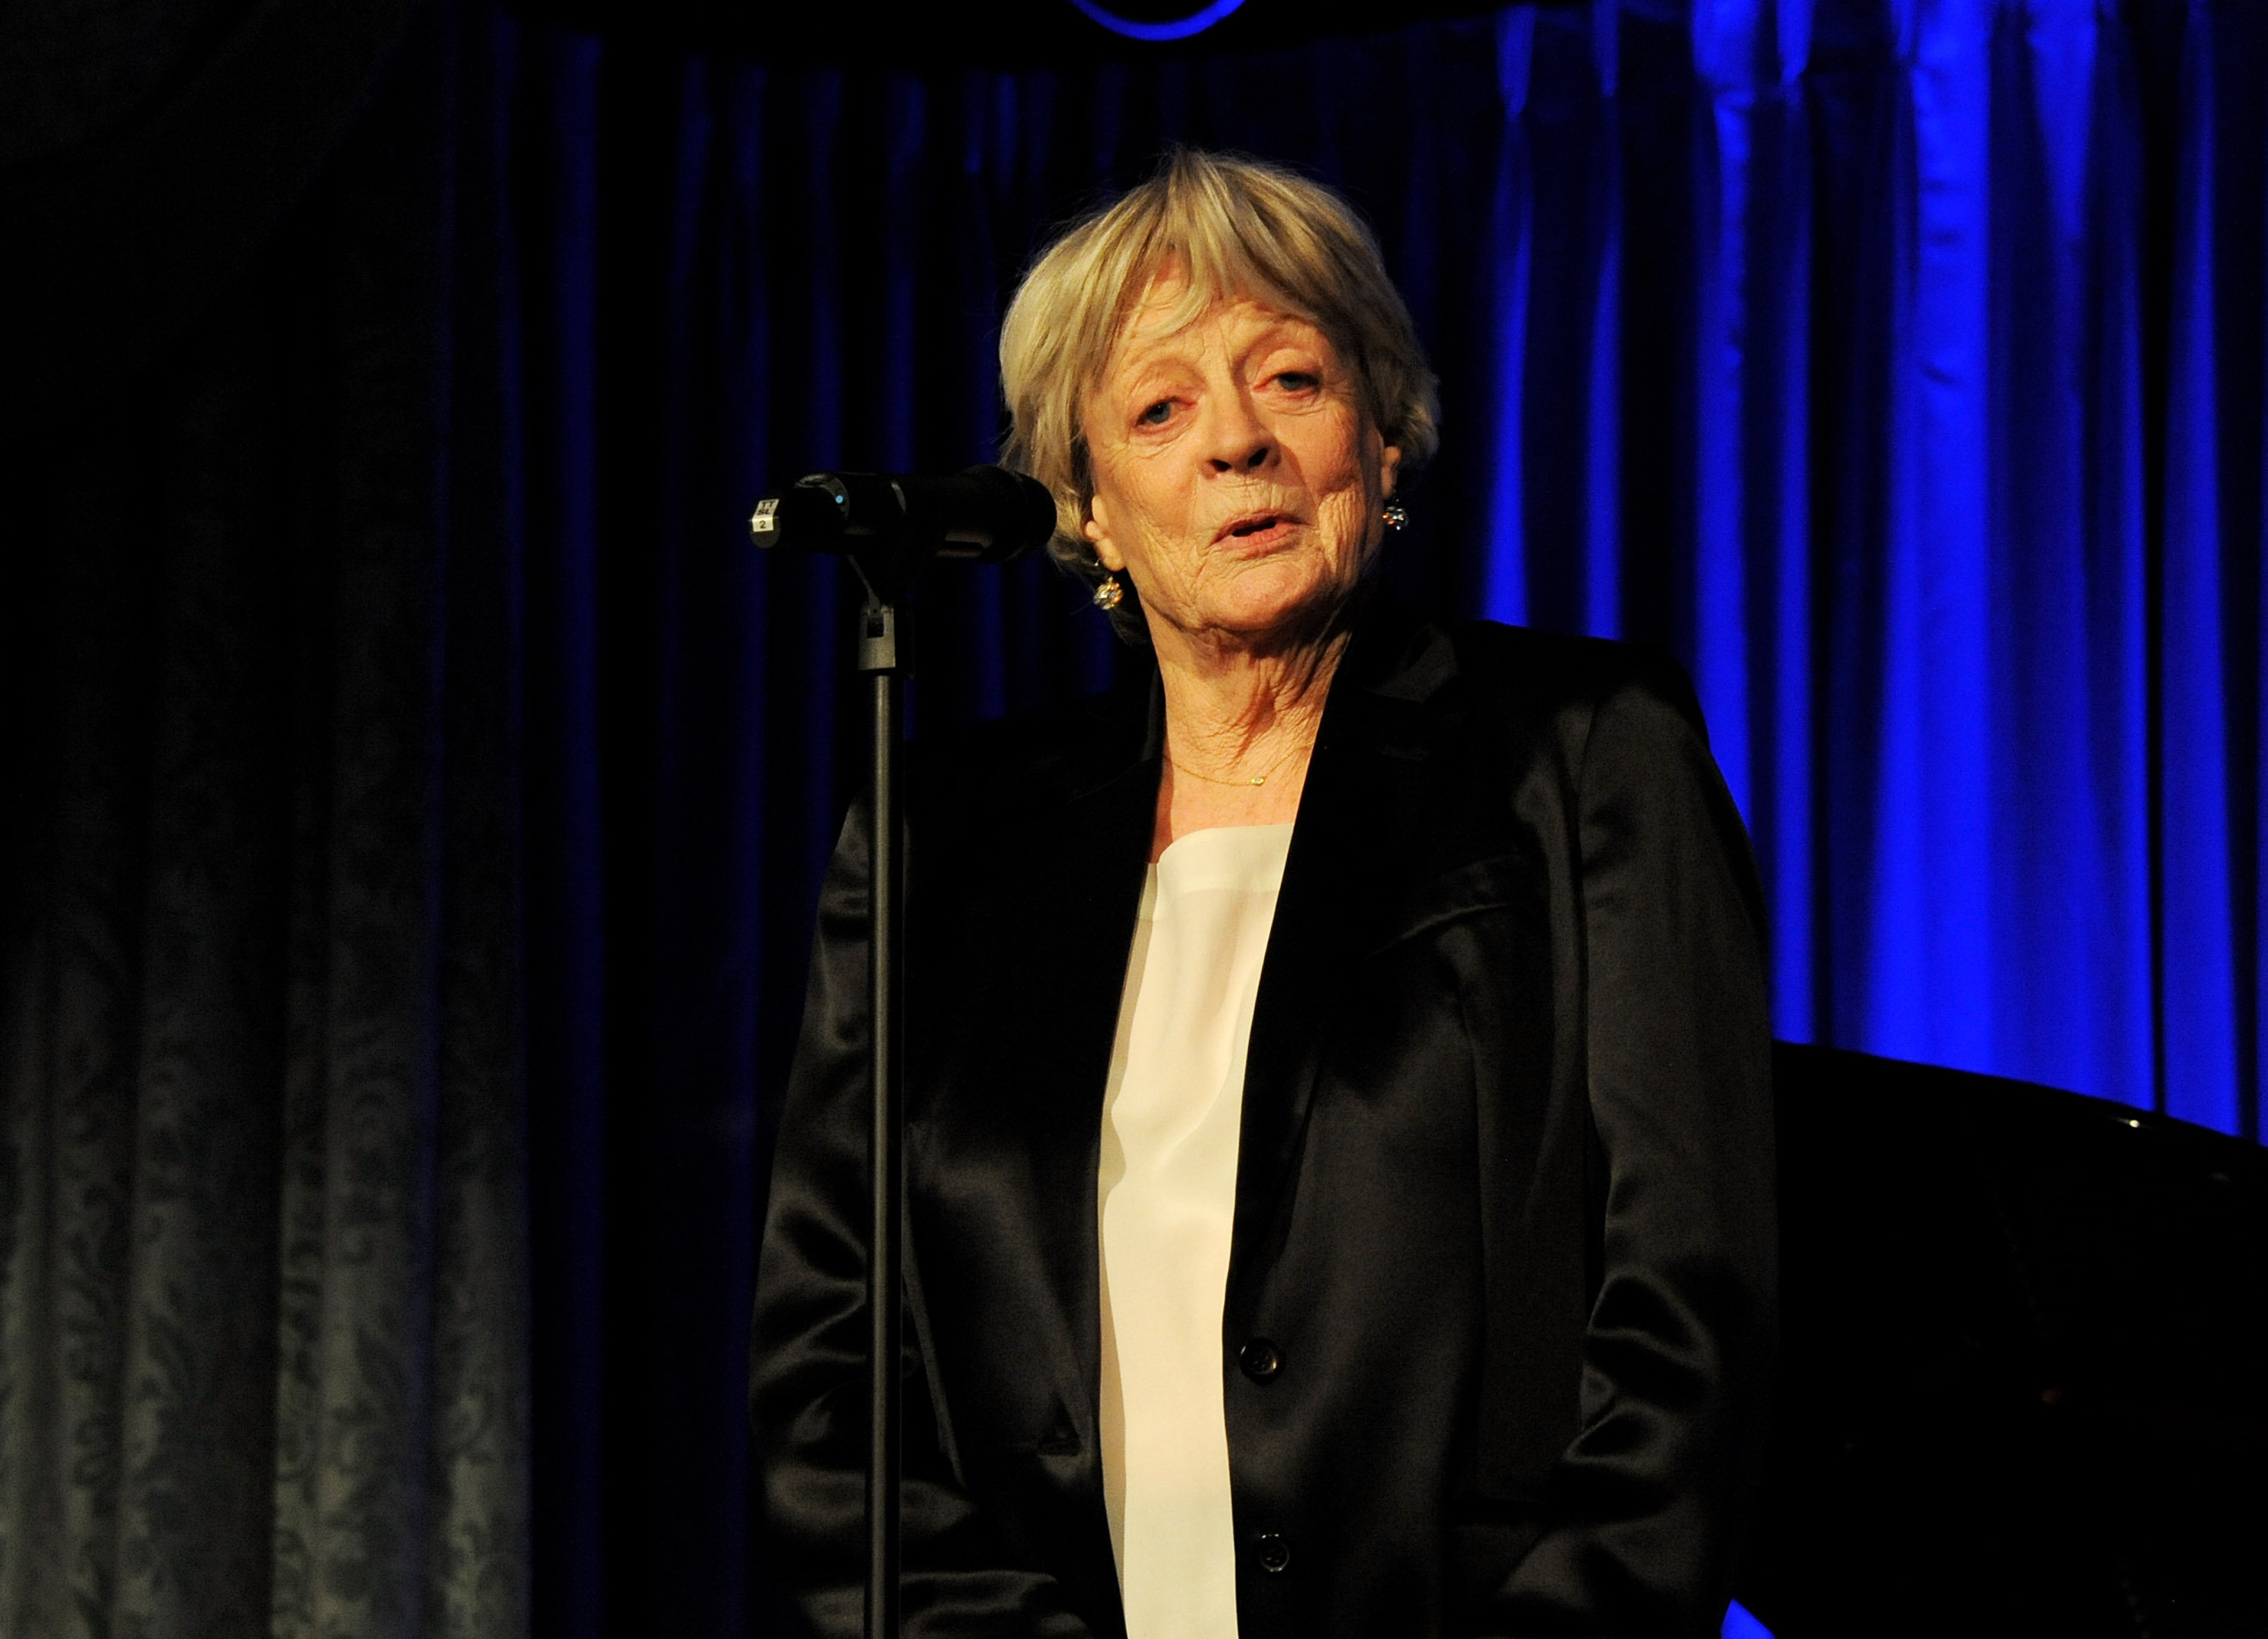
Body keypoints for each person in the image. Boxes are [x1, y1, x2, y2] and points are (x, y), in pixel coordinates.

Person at [751, 150, 1775, 1639]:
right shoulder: (945, 844)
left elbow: (1693, 1317)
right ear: (1089, 509)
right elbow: (829, 1389)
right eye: (1160, 410)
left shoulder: (1581, 755)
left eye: (1291, 379)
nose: (1237, 440)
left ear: (1383, 436)